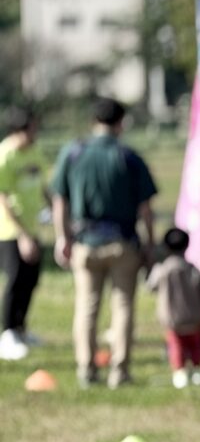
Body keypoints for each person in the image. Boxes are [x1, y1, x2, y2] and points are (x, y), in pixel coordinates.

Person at [50, 97, 157, 389]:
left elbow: (60, 202)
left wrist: (63, 238)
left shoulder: (73, 153)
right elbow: (146, 209)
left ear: (93, 122)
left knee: (86, 307)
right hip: (122, 242)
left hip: (85, 242)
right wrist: (149, 244)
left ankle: (86, 368)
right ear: (120, 123)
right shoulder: (128, 157)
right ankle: (119, 370)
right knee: (122, 306)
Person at [0, 107, 49, 361]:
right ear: (20, 129)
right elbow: (3, 197)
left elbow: (44, 185)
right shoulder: (6, 154)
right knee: (15, 279)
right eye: (32, 127)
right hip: (9, 230)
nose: (35, 132)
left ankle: (21, 328)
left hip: (32, 227)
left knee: (31, 279)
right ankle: (7, 332)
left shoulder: (34, 152)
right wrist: (22, 235)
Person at [146, 228, 200, 389]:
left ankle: (179, 372)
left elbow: (150, 286)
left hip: (172, 319)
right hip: (194, 317)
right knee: (195, 345)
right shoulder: (193, 269)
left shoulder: (163, 269)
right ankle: (197, 370)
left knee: (176, 345)